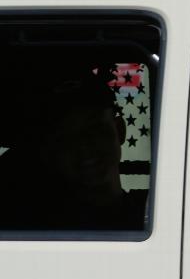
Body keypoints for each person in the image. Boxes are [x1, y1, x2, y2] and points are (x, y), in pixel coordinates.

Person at [0, 60, 146, 231]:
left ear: (119, 130)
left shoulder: (156, 215)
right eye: (65, 137)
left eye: (94, 128)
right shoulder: (35, 230)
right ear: (49, 153)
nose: (84, 146)